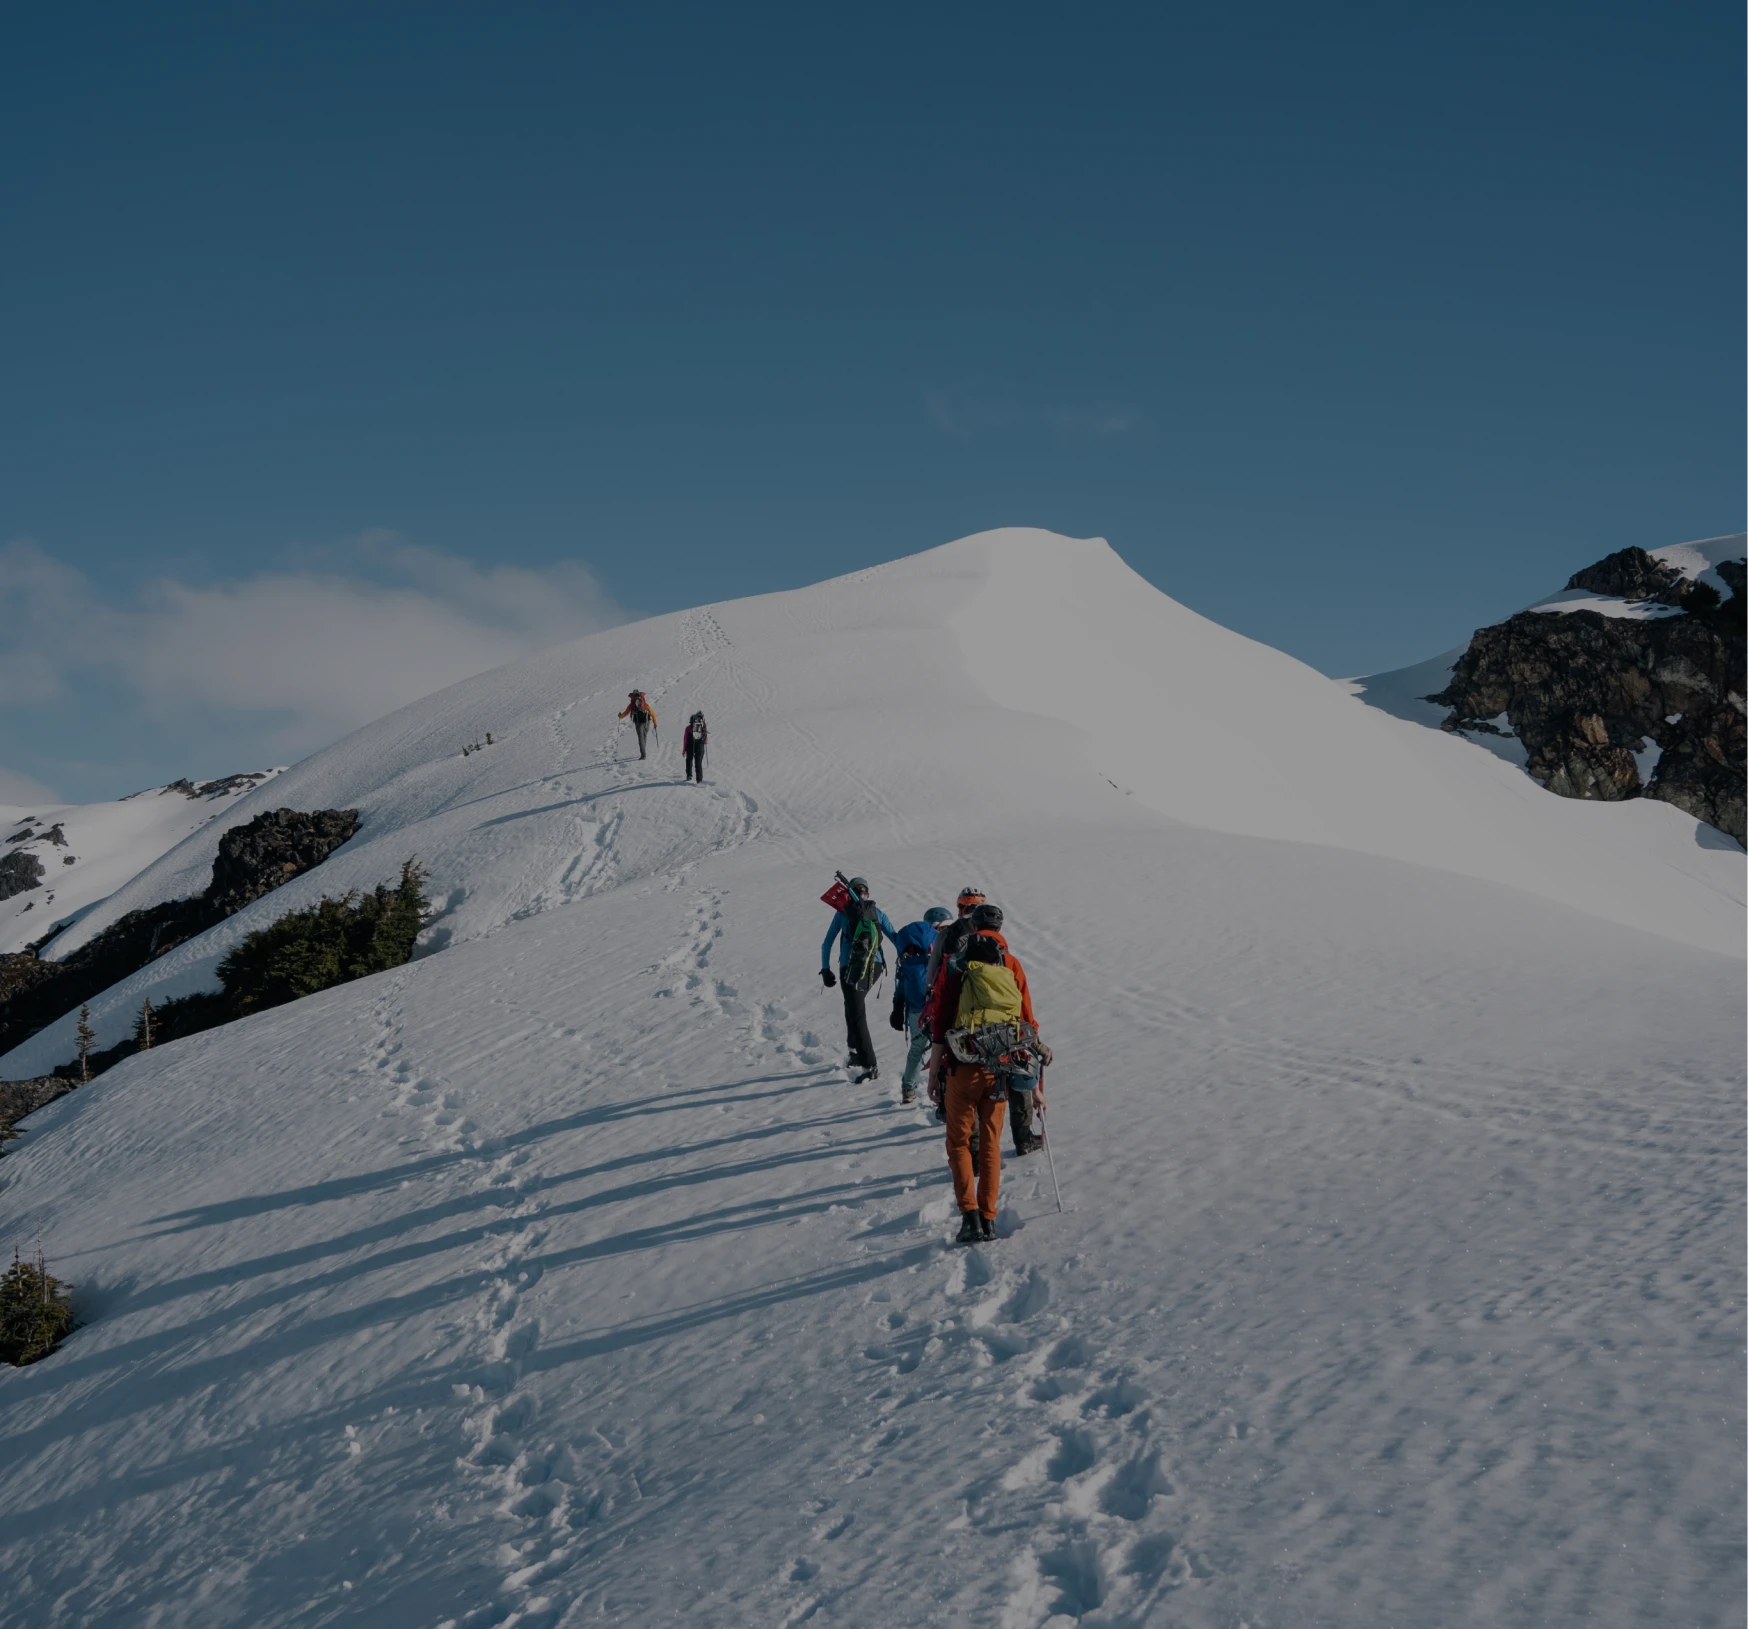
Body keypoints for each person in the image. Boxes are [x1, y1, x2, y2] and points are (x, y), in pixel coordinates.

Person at [928, 910, 1040, 1244]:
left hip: (962, 1069)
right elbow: (1027, 1022)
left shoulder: (956, 974)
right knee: (991, 1145)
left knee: (959, 1144)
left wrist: (933, 1076)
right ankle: (989, 1218)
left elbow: (939, 1027)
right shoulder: (1010, 970)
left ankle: (969, 1218)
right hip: (1000, 1069)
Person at [820, 876, 898, 1083]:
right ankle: (854, 1053)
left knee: (856, 1014)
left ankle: (869, 1065)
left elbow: (827, 943)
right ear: (868, 894)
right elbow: (896, 938)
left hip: (851, 968)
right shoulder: (876, 912)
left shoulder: (843, 913)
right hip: (875, 966)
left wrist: (825, 969)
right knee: (853, 1007)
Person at [889, 905, 951, 1104]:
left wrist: (897, 1008)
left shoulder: (910, 951)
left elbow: (902, 982)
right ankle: (946, 1090)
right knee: (948, 1047)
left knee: (917, 1048)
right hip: (941, 1006)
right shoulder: (946, 947)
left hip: (917, 1008)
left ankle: (909, 1088)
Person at [618, 690, 657, 759]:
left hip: (638, 723)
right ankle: (643, 752)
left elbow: (626, 712)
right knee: (644, 737)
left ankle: (643, 755)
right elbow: (652, 713)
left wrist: (620, 716)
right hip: (647, 721)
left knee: (640, 738)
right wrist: (655, 723)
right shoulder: (644, 703)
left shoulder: (632, 704)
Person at [683, 712, 708, 782]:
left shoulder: (688, 728)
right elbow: (706, 739)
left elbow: (685, 740)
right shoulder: (702, 726)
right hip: (700, 746)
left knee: (689, 760)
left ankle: (689, 775)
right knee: (698, 762)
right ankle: (699, 779)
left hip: (690, 746)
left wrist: (684, 750)